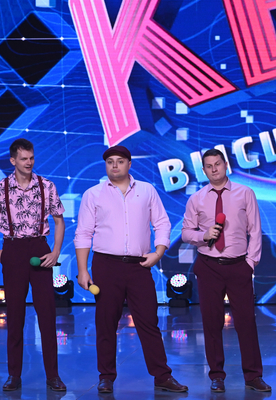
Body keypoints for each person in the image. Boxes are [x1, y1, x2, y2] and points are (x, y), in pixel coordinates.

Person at [74, 145, 187, 394]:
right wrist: (82, 270)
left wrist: (158, 252)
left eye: (120, 161)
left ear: (129, 164)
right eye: (110, 161)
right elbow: (83, 233)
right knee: (106, 323)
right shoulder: (93, 194)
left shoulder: (147, 190)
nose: (115, 165)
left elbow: (162, 223)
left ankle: (162, 376)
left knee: (148, 321)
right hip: (106, 265)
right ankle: (106, 377)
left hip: (139, 266)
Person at [0, 138, 66, 392]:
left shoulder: (47, 186)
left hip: (40, 248)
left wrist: (56, 251)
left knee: (47, 315)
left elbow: (59, 221)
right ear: (13, 160)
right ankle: (14, 375)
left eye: (31, 158)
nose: (29, 162)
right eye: (24, 158)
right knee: (15, 315)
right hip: (13, 250)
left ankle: (53, 376)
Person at [182, 149, 271, 393]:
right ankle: (217, 376)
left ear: (226, 165)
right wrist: (203, 235)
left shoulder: (245, 193)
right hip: (208, 266)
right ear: (204, 170)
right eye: (209, 166)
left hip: (238, 265)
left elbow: (255, 230)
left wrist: (250, 262)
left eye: (218, 164)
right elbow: (186, 232)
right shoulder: (196, 199)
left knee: (246, 322)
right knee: (212, 323)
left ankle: (253, 376)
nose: (214, 169)